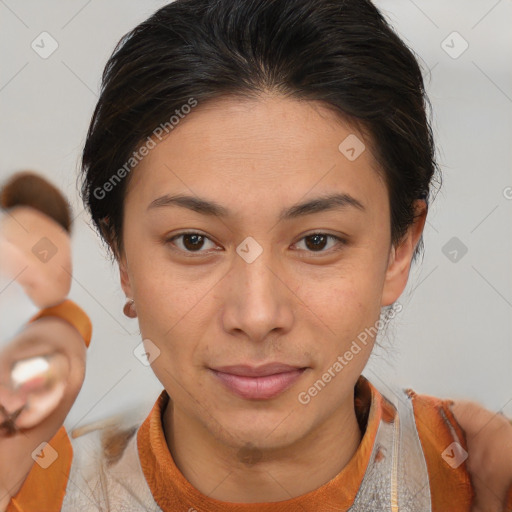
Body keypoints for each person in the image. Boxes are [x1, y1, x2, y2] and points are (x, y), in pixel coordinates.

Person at [1, 0, 511, 510]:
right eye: (194, 241)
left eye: (317, 241)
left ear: (399, 250)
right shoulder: (35, 490)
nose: (257, 315)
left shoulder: (477, 480)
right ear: (122, 257)